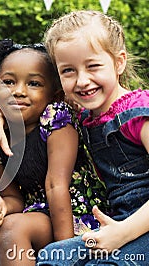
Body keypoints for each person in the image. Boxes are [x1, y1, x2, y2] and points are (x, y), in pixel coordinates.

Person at [0, 39, 109, 265]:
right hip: (36, 215)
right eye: (8, 82)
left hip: (74, 218)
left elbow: (56, 185)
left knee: (12, 228)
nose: (19, 91)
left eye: (34, 83)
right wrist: (1, 206)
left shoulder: (55, 118)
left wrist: (65, 253)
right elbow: (13, 197)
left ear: (55, 95)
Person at [33, 10, 149, 265]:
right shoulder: (83, 113)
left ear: (119, 62)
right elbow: (26, 111)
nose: (82, 81)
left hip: (140, 224)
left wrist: (121, 234)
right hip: (117, 221)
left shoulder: (140, 115)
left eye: (93, 66)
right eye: (68, 71)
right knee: (52, 258)